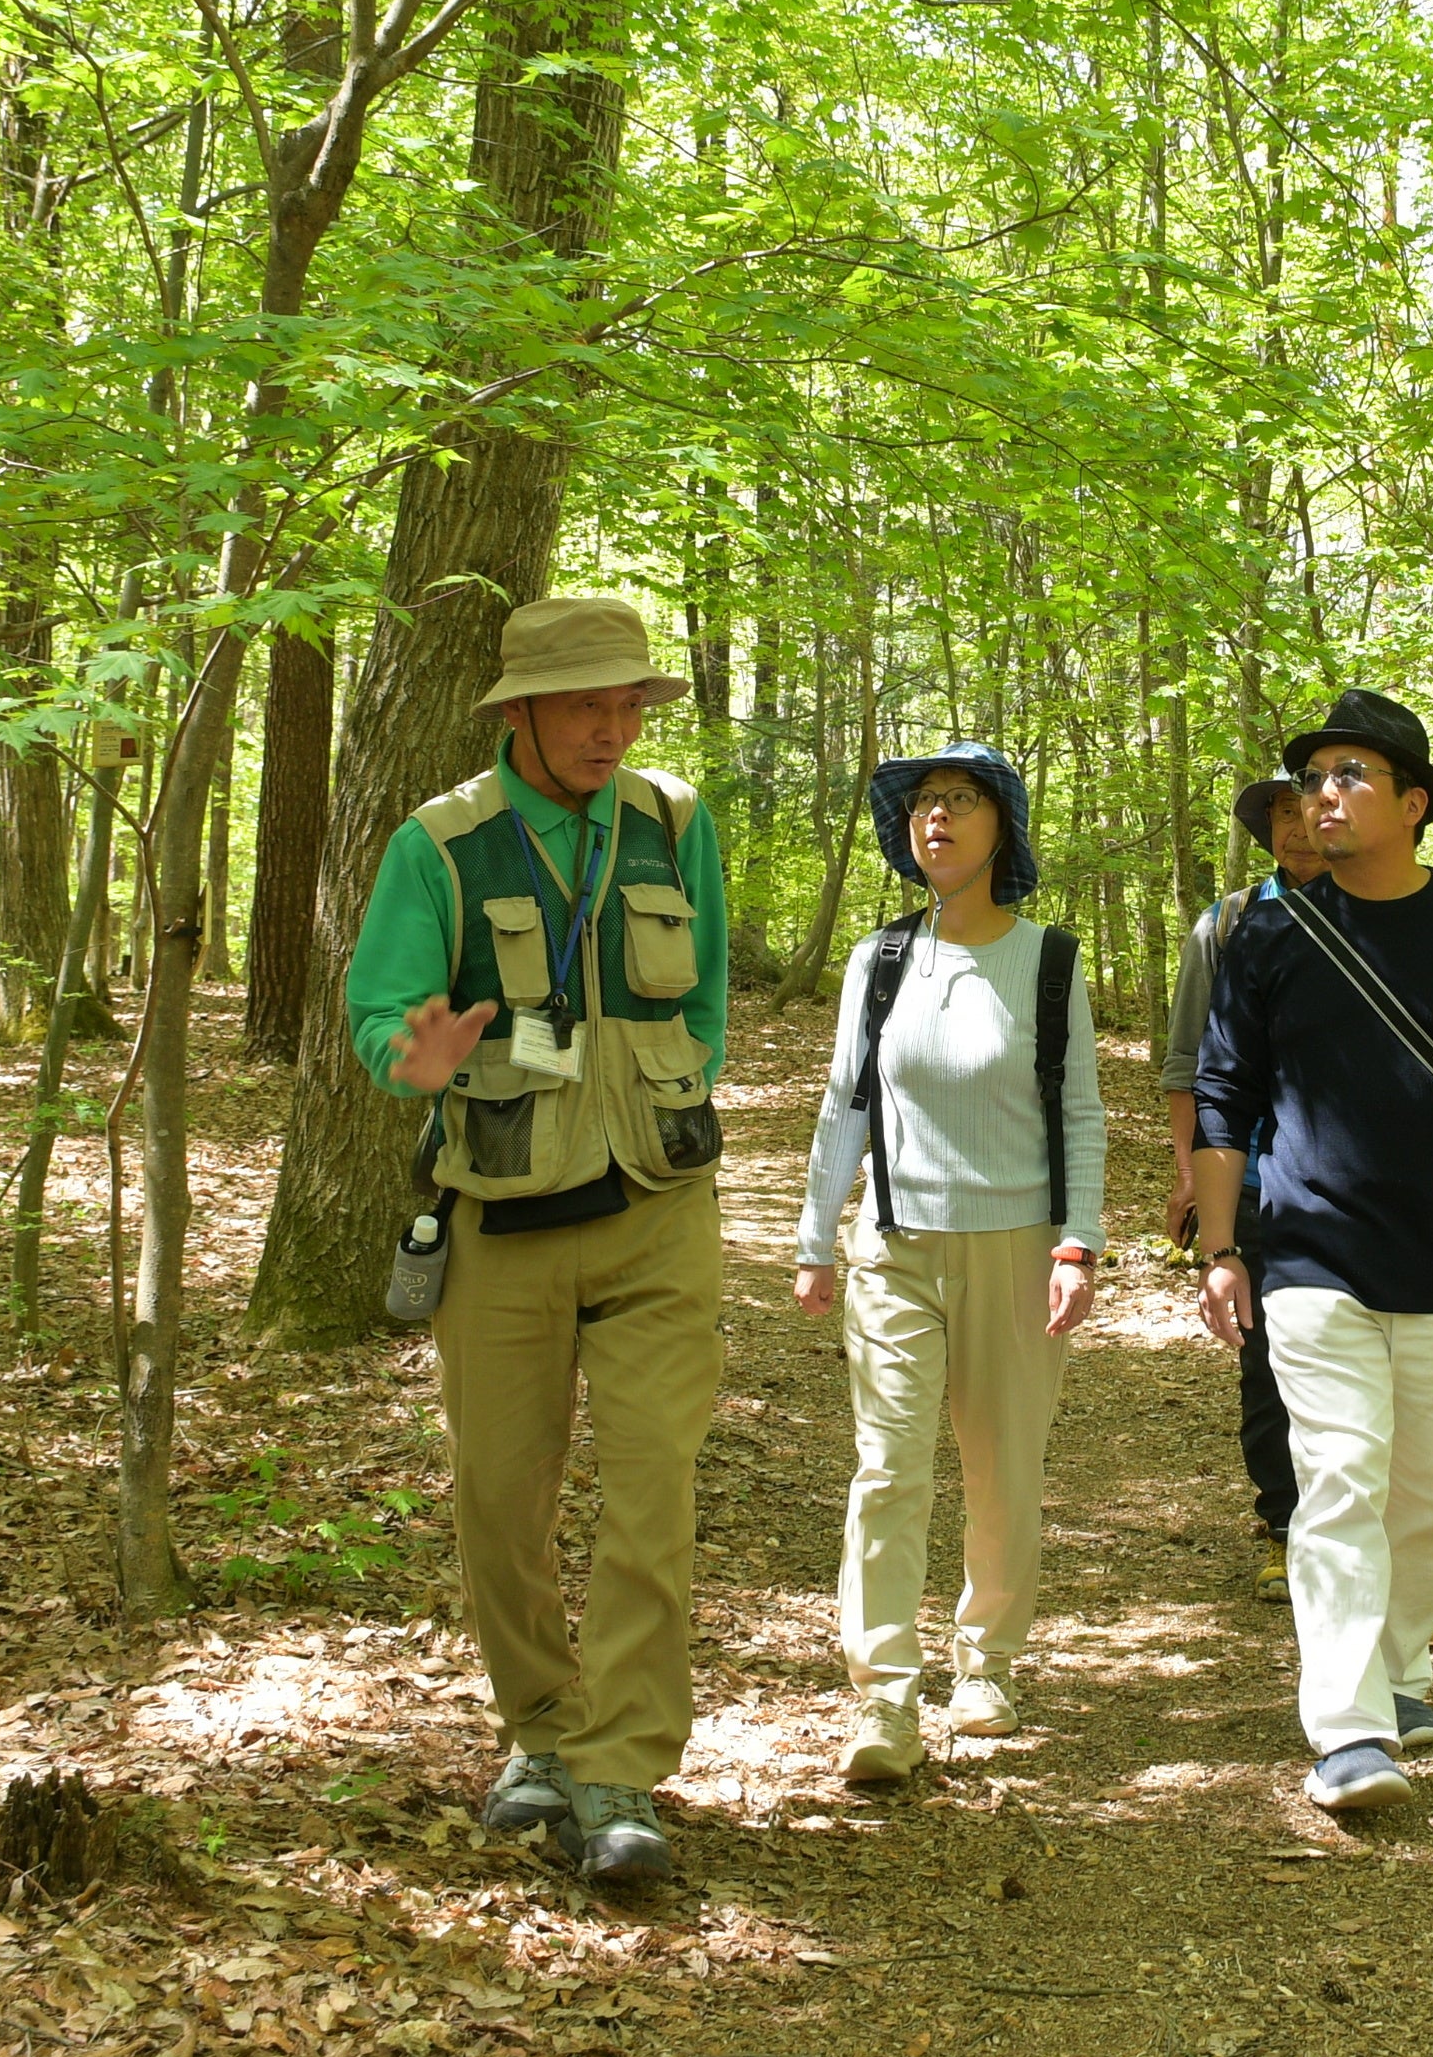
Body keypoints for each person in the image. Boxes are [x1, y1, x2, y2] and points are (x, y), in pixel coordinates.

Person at [344, 596, 732, 1889]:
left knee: (651, 1490)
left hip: (656, 1212)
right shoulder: (442, 847)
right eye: (587, 705)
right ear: (519, 712)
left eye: (629, 705)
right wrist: (416, 1056)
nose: (613, 728)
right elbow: (380, 1017)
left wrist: (655, 1094)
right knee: (501, 1499)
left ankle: (622, 1769)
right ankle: (541, 1733)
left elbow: (711, 1000)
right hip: (503, 1219)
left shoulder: (675, 826)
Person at [1191, 687, 1433, 1814]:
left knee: (1425, 1495)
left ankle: (1404, 1670)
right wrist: (1221, 1248)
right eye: (1314, 776)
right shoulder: (1266, 931)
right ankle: (1350, 1728)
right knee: (1338, 1480)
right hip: (1308, 1251)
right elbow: (1223, 1094)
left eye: (1351, 774)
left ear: (1413, 803)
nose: (1324, 792)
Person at [795, 742, 1107, 1783]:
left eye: (962, 801)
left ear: (1001, 829)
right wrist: (813, 1237)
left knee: (1002, 1468)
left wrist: (1079, 1241)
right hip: (891, 1245)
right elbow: (846, 1102)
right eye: (925, 803)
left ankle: (987, 1663)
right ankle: (884, 1694)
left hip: (1016, 1250)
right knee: (888, 1470)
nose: (938, 818)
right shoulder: (878, 958)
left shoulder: (1049, 961)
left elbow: (1079, 1113)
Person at [1158, 775, 1319, 1600]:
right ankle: (1285, 1523)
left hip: (1358, 1183)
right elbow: (1188, 1063)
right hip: (1251, 1172)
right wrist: (1192, 1175)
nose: (1294, 828)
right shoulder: (1224, 925)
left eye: (1306, 809)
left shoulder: (1383, 914)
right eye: (1279, 814)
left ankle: (1359, 1527)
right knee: (1267, 1357)